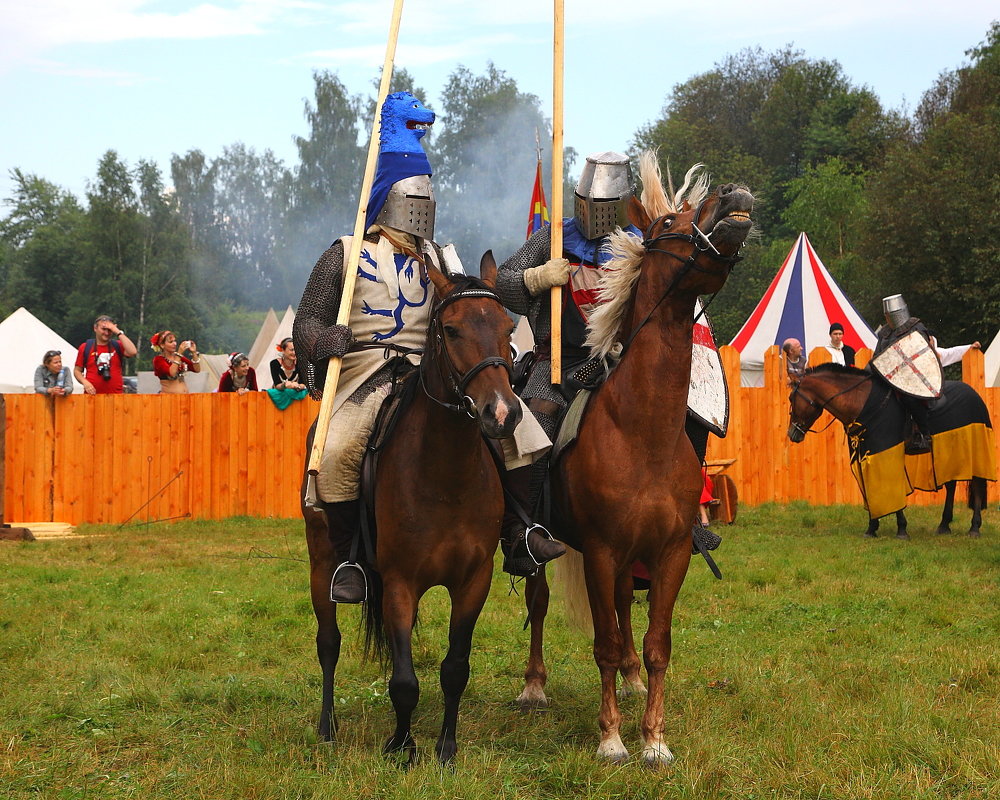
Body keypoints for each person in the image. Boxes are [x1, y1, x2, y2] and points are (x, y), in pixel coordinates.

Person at [294, 91, 555, 603]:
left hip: (433, 370)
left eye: (428, 200)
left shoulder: (441, 254)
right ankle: (350, 560)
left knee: (517, 424)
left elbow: (466, 309)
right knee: (341, 448)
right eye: (413, 200)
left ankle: (518, 531)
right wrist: (324, 339)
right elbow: (307, 318)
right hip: (365, 371)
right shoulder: (348, 254)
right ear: (390, 196)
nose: (422, 211)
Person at [496, 151, 647, 575]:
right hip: (556, 362)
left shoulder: (640, 245)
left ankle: (684, 518)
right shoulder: (554, 237)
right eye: (588, 205)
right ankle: (524, 531)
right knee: (530, 428)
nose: (595, 215)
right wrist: (537, 278)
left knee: (669, 417)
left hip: (619, 364)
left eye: (604, 208)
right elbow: (504, 281)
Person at [74, 315, 137, 395]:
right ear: (95, 328)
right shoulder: (86, 347)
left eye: (109, 330)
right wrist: (85, 382)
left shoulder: (118, 345)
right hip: (92, 396)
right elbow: (77, 371)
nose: (106, 333)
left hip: (115, 396)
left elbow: (133, 352)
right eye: (103, 329)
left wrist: (117, 332)